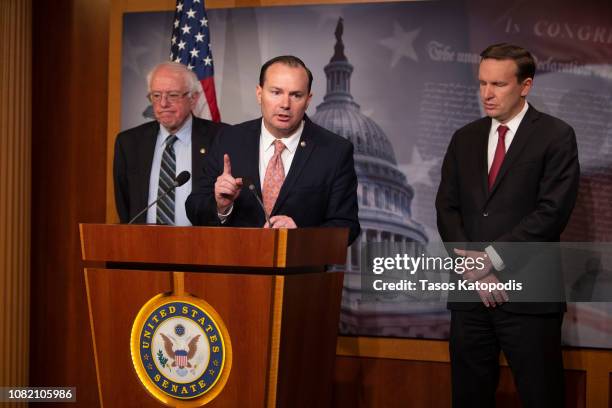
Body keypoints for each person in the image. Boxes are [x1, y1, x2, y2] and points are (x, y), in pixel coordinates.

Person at [435, 43, 580, 407]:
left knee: (541, 396)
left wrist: (493, 260)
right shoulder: (464, 138)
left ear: (525, 86)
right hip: (470, 297)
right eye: (482, 83)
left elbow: (551, 213)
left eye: (498, 84)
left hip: (528, 296)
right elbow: (446, 208)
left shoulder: (556, 135)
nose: (487, 93)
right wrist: (474, 267)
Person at [186, 55, 360, 245]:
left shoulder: (335, 151)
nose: (285, 104)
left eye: (296, 95)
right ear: (259, 94)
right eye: (276, 92)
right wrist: (220, 206)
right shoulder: (228, 139)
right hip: (234, 269)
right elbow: (195, 207)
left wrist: (301, 235)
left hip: (299, 271)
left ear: (308, 100)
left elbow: (347, 227)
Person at [113, 61, 227, 225]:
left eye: (172, 95)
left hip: (202, 245)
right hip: (143, 245)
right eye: (156, 95)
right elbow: (125, 205)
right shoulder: (129, 143)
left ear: (193, 98)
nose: (163, 104)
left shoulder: (220, 138)